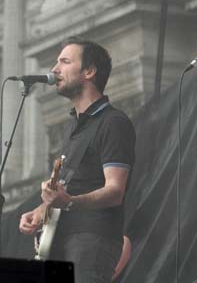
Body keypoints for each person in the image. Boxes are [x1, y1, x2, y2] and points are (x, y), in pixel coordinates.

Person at [19, 37, 136, 283]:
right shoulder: (75, 126)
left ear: (89, 72)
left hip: (92, 240)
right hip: (63, 240)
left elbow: (115, 190)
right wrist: (41, 210)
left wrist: (69, 201)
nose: (54, 69)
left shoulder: (113, 123)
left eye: (64, 61)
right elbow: (72, 184)